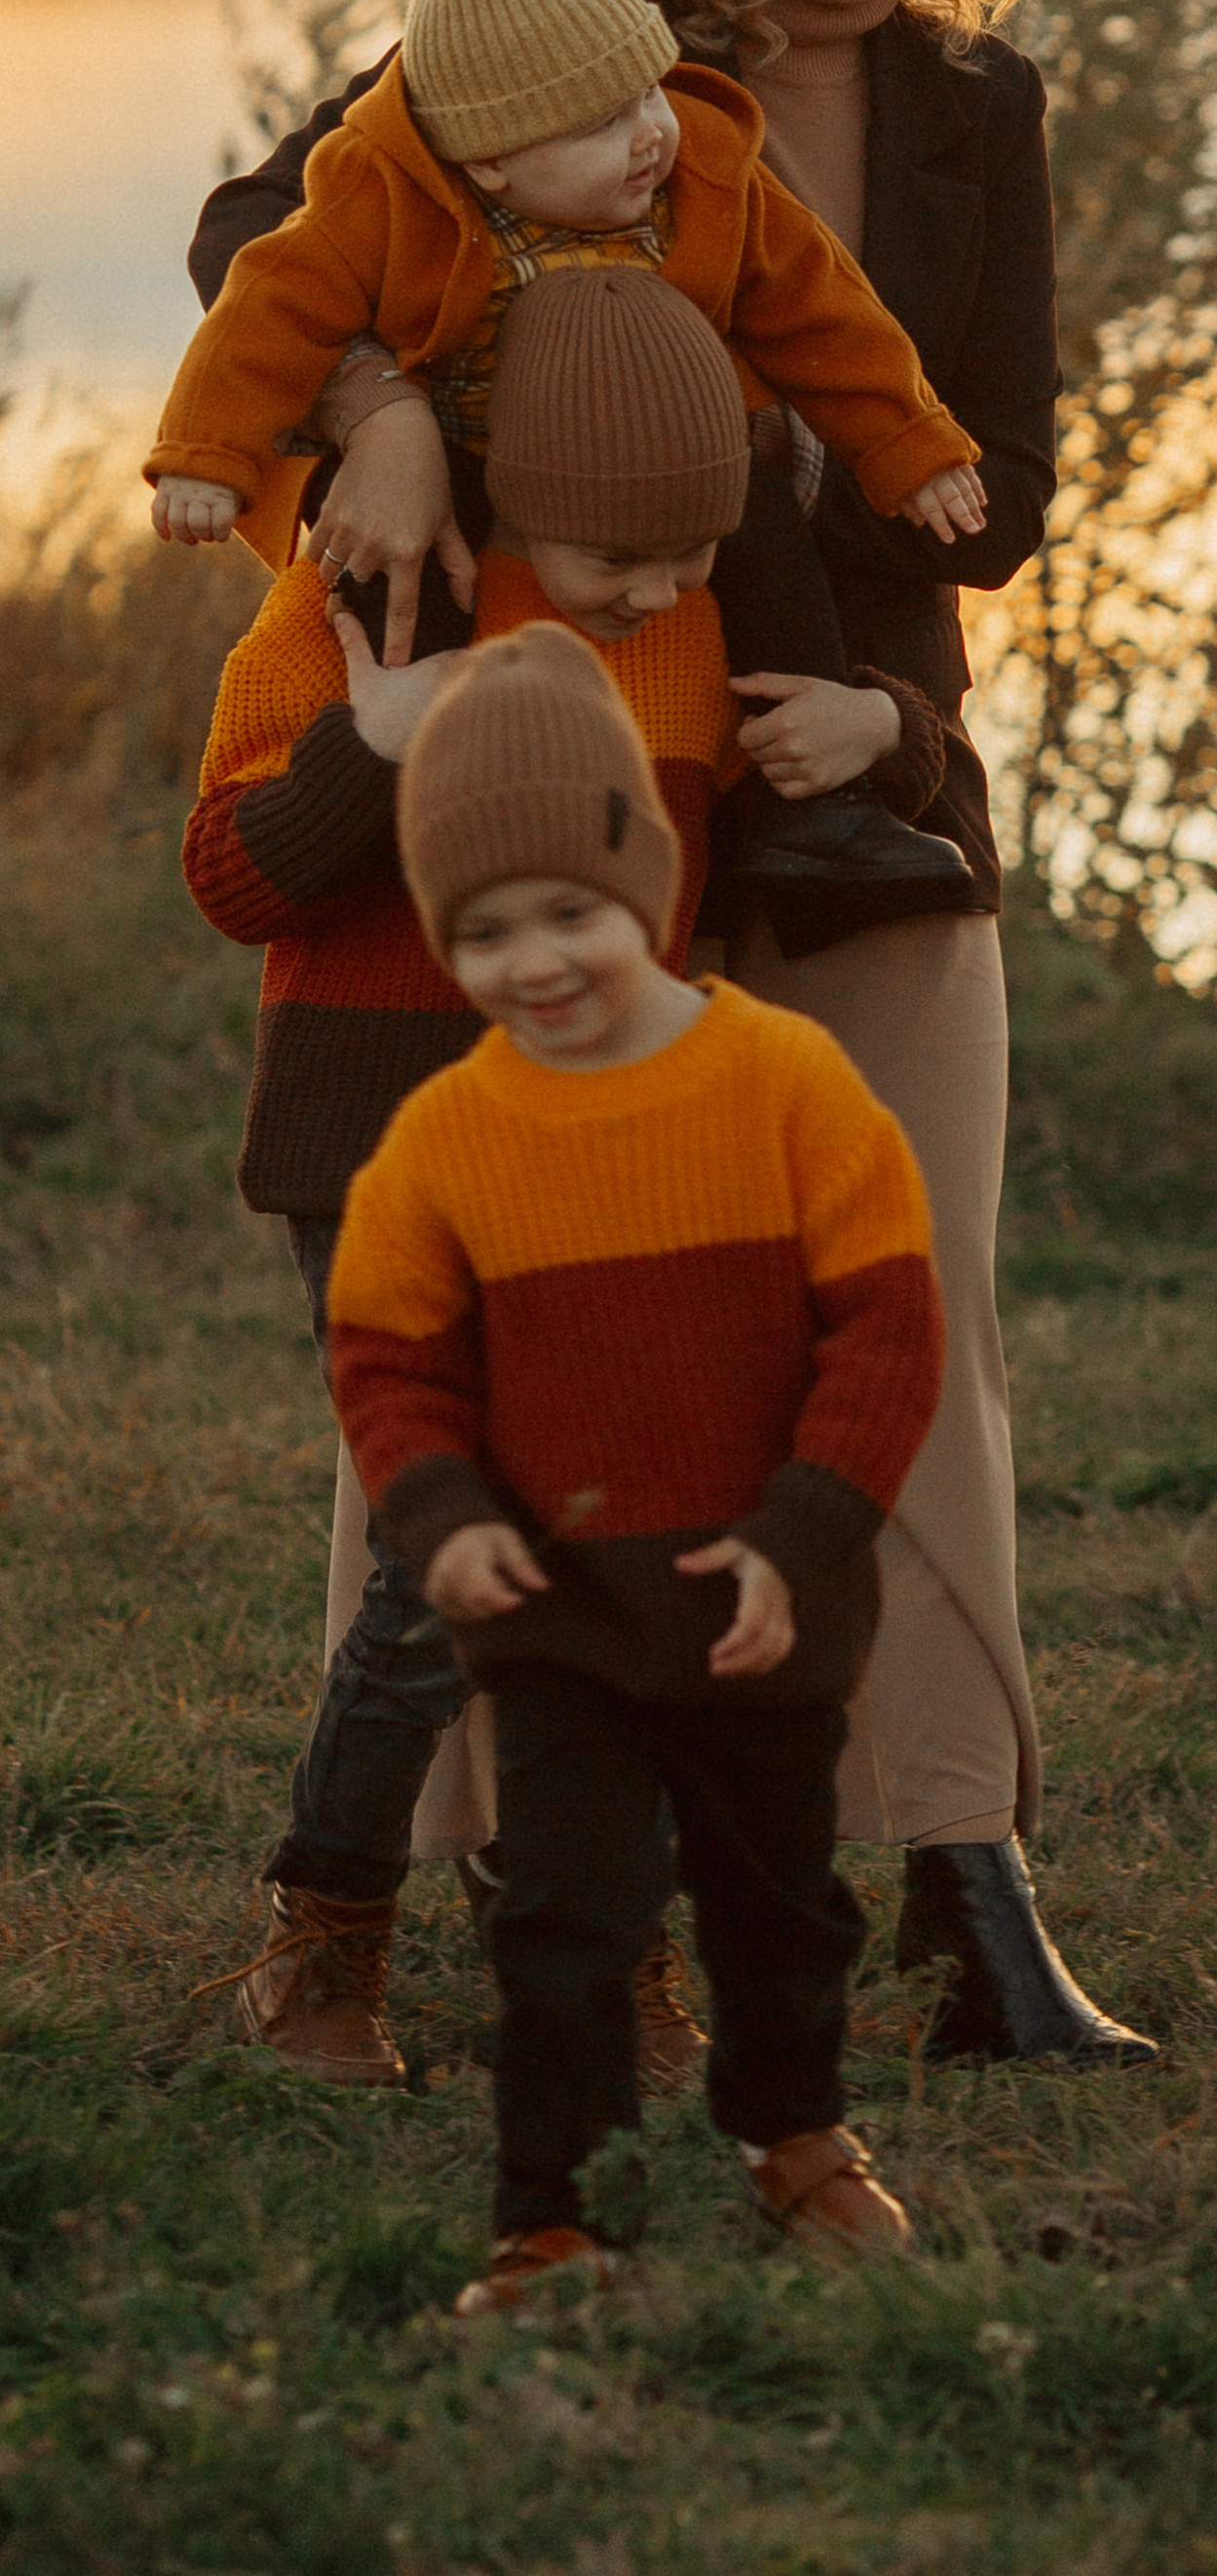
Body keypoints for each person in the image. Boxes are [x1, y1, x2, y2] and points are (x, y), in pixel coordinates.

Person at [198, 0, 1157, 2065]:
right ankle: (424, 1875)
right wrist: (387, 406)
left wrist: (871, 687)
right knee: (498, 1315)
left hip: (855, 793)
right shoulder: (547, 52)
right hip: (562, 789)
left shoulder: (979, 115)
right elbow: (260, 250)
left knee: (904, 1309)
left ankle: (963, 1867)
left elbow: (1001, 485)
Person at [188, 267, 947, 2088]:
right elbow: (231, 878)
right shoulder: (353, 602)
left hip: (611, 1151)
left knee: (610, 1544)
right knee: (448, 1557)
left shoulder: (687, 622)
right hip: (379, 1144)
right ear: (516, 488)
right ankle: (328, 1929)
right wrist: (376, 739)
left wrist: (895, 735)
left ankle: (595, 1945)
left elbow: (793, 811)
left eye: (700, 553)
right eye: (627, 559)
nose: (666, 595)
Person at [327, 620, 935, 2314]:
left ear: (648, 882)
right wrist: (438, 1516)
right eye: (485, 932)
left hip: (762, 1603)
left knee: (781, 1907)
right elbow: (387, 1356)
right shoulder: (451, 1136)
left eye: (572, 915)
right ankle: (557, 2215)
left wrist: (800, 1536)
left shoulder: (783, 1081)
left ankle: (792, 2130)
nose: (536, 964)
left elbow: (887, 1334)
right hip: (566, 1618)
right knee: (565, 1926)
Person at [152, 0, 984, 937]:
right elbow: (269, 308)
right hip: (463, 445)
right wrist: (205, 460)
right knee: (403, 567)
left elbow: (823, 310)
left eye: (647, 90)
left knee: (755, 516)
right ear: (487, 162)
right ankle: (413, 753)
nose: (647, 131)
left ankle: (813, 807)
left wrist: (912, 444)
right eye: (598, 122)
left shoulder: (702, 167)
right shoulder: (383, 188)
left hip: (669, 438)